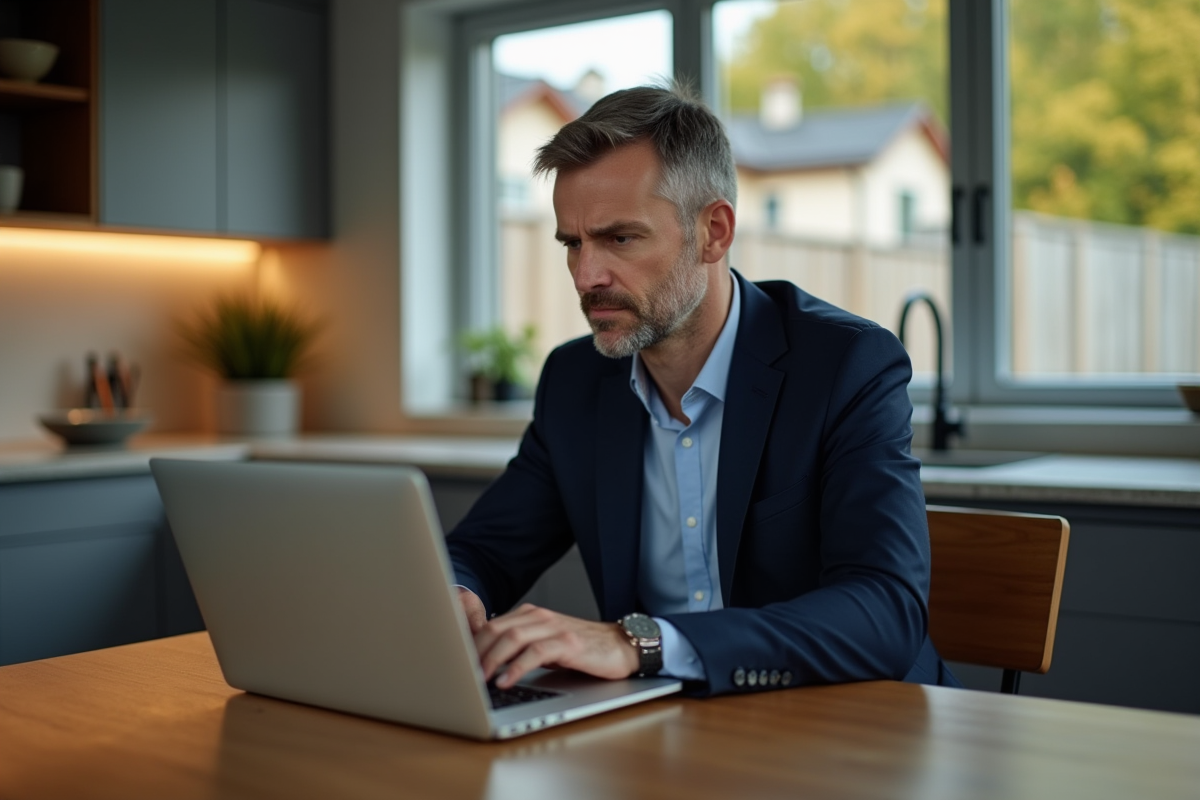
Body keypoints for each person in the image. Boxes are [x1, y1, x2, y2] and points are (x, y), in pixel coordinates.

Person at [446, 84, 959, 696]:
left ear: (714, 232)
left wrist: (639, 643)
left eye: (620, 238)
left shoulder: (845, 366)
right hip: (668, 727)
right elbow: (484, 550)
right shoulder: (575, 382)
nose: (586, 276)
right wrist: (458, 593)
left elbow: (884, 613)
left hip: (856, 724)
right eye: (573, 243)